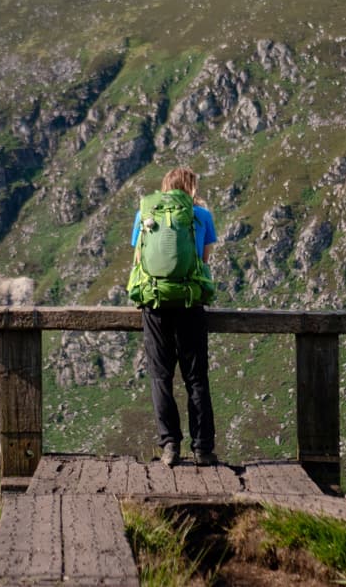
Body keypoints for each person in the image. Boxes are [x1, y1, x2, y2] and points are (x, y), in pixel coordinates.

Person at [131, 167, 218, 467]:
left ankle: (170, 446)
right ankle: (203, 449)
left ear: (165, 187)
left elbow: (140, 259)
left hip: (155, 303)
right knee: (196, 378)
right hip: (190, 303)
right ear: (191, 187)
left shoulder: (146, 212)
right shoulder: (201, 216)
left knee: (160, 376)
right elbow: (204, 261)